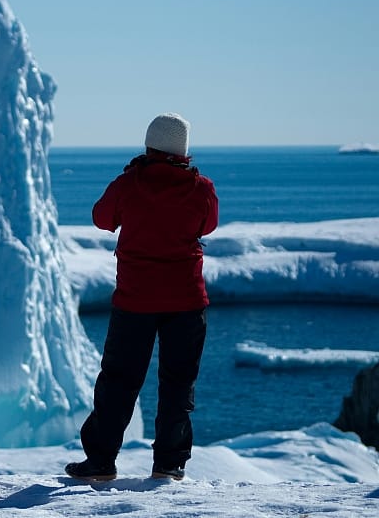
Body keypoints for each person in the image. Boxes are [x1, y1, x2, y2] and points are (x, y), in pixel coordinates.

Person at [65, 112, 219, 482]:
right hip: (186, 302)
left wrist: (133, 182)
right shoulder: (200, 188)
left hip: (135, 300)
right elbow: (209, 224)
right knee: (178, 383)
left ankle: (101, 460)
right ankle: (169, 463)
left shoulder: (129, 184)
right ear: (183, 151)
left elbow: (102, 218)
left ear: (149, 145)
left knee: (118, 381)